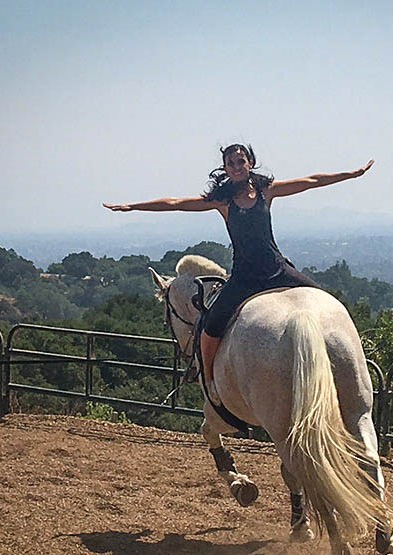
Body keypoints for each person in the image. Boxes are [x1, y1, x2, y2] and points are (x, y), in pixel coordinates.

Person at [104, 144, 374, 399]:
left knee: (328, 305)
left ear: (250, 163)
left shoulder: (267, 191)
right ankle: (210, 382)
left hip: (276, 269)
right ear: (225, 169)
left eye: (240, 161)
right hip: (244, 277)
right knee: (211, 328)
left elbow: (312, 181)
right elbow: (176, 203)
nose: (236, 166)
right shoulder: (223, 201)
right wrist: (134, 206)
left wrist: (351, 174)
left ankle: (350, 362)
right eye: (230, 163)